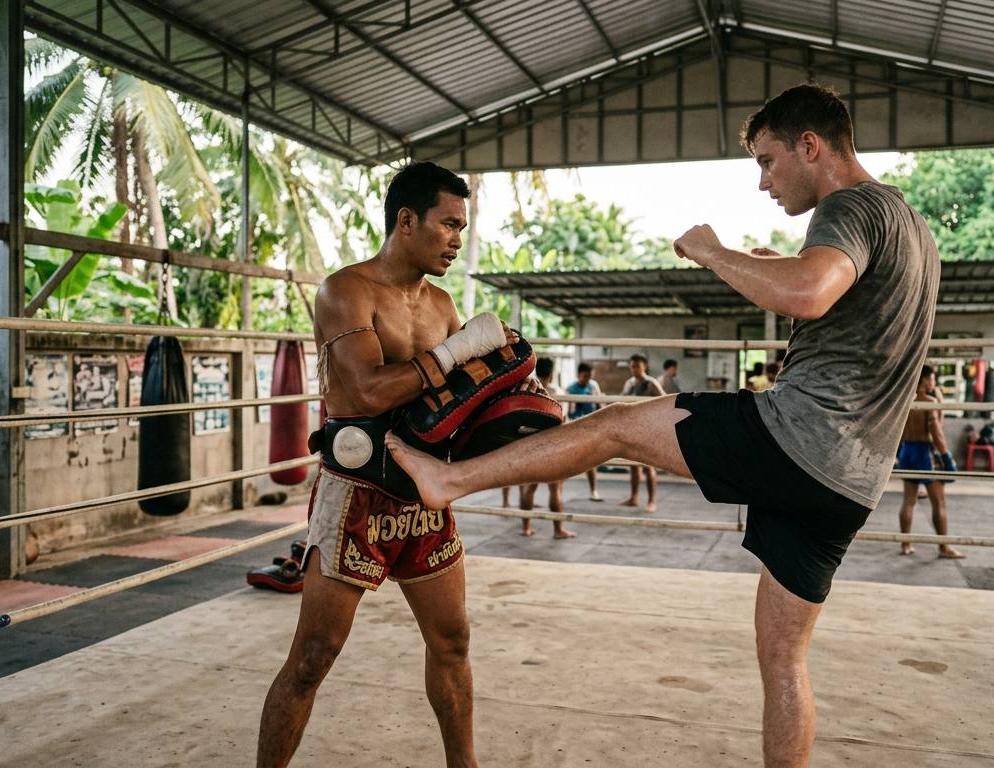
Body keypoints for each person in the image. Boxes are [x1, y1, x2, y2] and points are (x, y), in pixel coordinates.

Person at [385, 83, 940, 767]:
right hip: (853, 478)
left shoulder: (850, 205)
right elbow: (833, 300)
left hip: (798, 436)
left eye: (768, 161)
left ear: (810, 145)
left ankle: (448, 480)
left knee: (615, 425)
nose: (764, 181)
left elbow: (808, 292)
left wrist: (712, 251)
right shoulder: (911, 226)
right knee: (784, 659)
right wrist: (763, 262)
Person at [259, 162, 515, 768]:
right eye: (448, 224)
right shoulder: (345, 291)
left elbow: (469, 394)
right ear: (407, 221)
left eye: (462, 226)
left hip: (424, 494)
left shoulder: (443, 303)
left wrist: (513, 396)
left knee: (452, 642)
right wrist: (457, 350)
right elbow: (370, 392)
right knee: (314, 654)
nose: (457, 238)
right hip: (356, 493)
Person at [895, 365, 963, 558]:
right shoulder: (929, 402)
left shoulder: (904, 401)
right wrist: (946, 456)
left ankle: (905, 544)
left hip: (908, 451)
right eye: (932, 378)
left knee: (908, 501)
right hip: (926, 453)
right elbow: (937, 433)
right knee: (938, 502)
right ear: (924, 380)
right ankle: (944, 547)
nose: (934, 382)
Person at [520, 357, 576, 539]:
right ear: (552, 375)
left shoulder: (529, 391)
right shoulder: (558, 392)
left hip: (533, 442)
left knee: (530, 487)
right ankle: (558, 530)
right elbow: (563, 420)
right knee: (555, 489)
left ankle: (526, 527)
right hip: (553, 443)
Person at [620, 353, 665, 513]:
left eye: (637, 366)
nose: (634, 369)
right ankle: (634, 497)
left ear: (644, 366)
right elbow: (623, 402)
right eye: (632, 366)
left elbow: (664, 402)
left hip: (648, 429)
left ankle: (652, 501)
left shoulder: (651, 383)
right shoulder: (630, 383)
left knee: (648, 466)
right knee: (633, 466)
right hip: (632, 428)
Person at [565, 362, 604, 500]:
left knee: (591, 461)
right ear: (578, 374)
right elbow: (567, 411)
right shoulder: (570, 389)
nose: (588, 379)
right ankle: (558, 488)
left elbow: (600, 405)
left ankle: (594, 491)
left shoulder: (593, 386)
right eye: (585, 376)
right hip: (575, 426)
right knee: (567, 459)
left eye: (590, 376)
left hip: (591, 427)